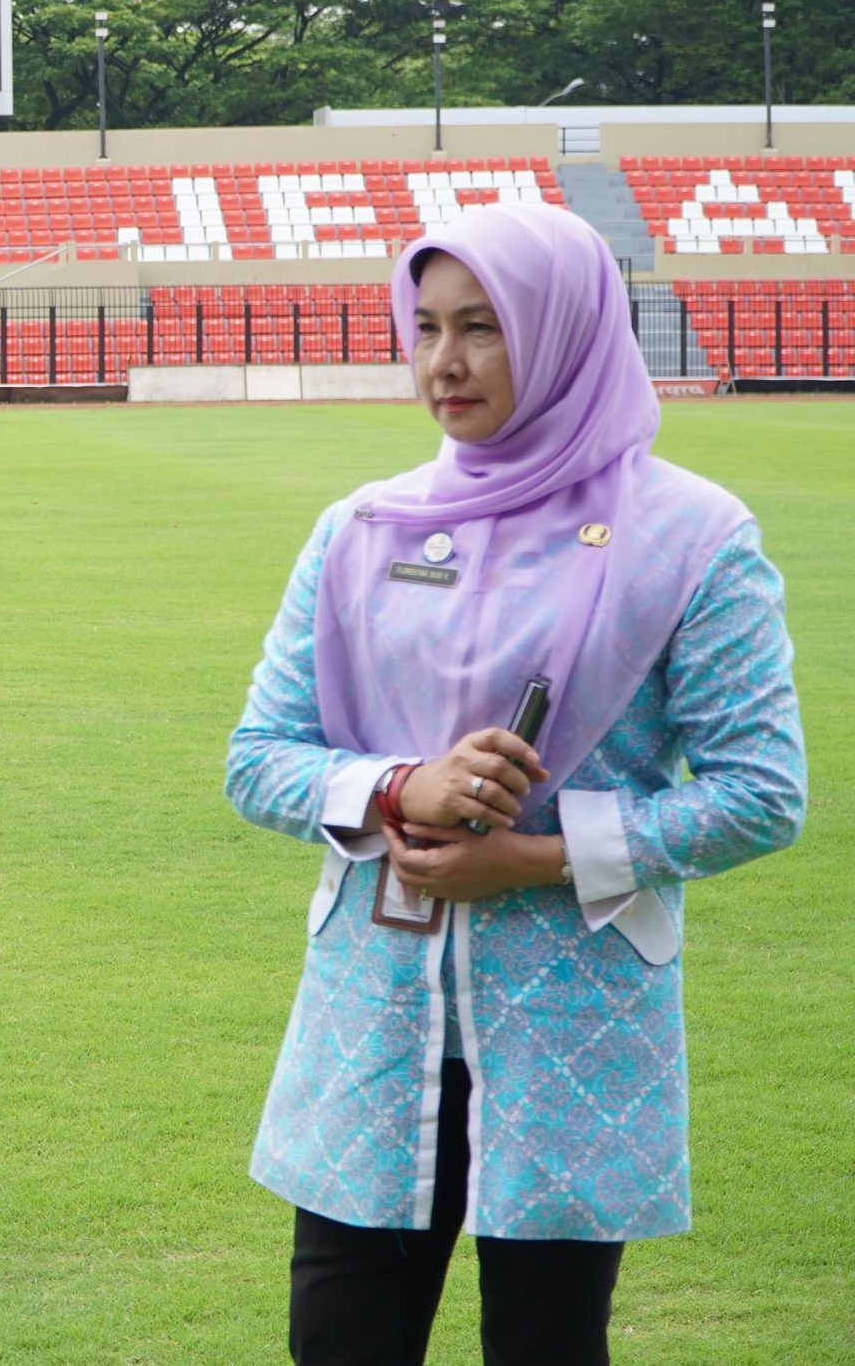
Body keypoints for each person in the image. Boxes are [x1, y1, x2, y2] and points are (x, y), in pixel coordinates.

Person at [225, 201, 806, 1365]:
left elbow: (759, 791)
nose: (443, 361)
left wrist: (535, 859)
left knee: (546, 1346)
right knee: (338, 1341)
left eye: (483, 326)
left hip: (571, 1027)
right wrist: (402, 787)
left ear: (563, 330)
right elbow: (259, 759)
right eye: (425, 325)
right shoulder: (363, 527)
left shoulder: (690, 538)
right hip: (373, 1020)